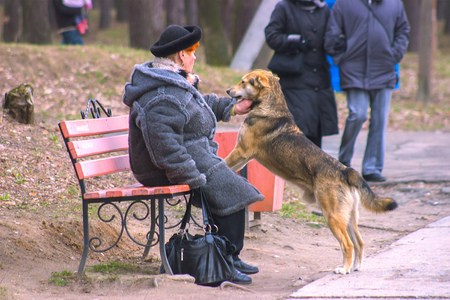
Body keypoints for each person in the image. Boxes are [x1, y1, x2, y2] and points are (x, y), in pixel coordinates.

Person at [123, 25, 264, 285]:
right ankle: (225, 257)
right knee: (227, 186)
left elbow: (199, 105)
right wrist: (193, 177)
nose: (195, 56)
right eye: (192, 51)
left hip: (189, 155)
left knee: (229, 184)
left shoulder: (174, 83)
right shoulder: (160, 95)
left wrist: (233, 107)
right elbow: (164, 148)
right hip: (161, 169)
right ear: (180, 56)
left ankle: (229, 255)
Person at [324, 0, 410, 182]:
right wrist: (342, 55)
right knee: (358, 114)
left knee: (379, 119)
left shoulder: (394, 4)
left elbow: (403, 30)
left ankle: (372, 167)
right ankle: (344, 162)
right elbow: (332, 34)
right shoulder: (344, 4)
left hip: (384, 69)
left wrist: (395, 54)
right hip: (353, 70)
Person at [264, 0, 338, 148]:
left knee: (316, 130)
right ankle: (298, 169)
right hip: (294, 78)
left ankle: (313, 169)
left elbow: (332, 36)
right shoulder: (284, 7)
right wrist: (294, 41)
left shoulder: (323, 10)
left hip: (320, 78)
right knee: (298, 129)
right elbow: (272, 36)